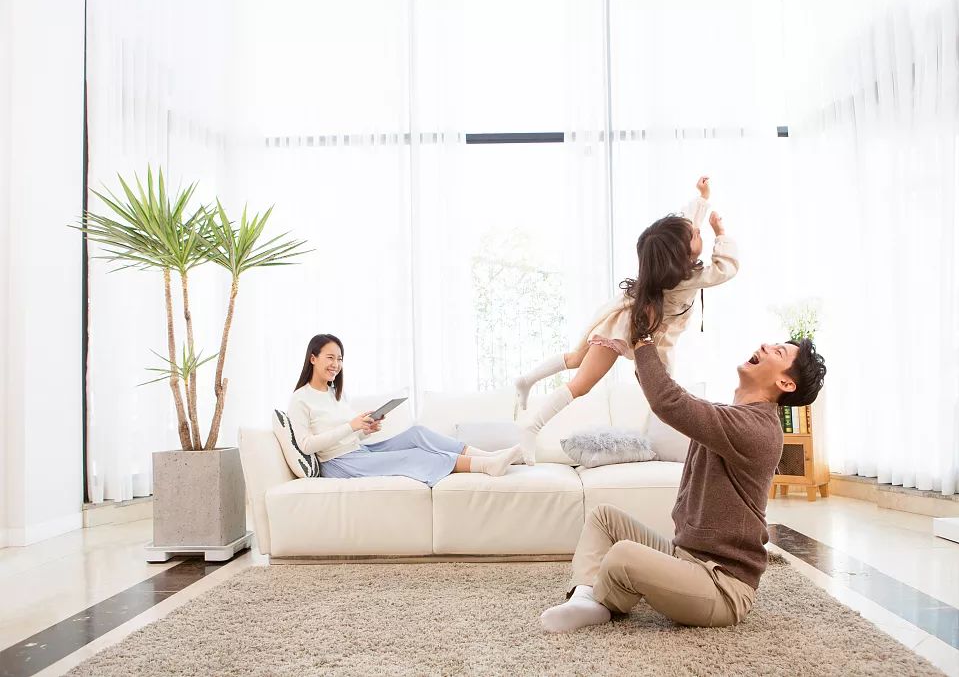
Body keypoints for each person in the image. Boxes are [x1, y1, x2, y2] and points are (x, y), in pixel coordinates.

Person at [539, 333, 827, 632]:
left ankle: (603, 599)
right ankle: (585, 598)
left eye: (778, 352)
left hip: (721, 586)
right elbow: (677, 398)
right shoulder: (732, 416)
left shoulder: (757, 429)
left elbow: (670, 402)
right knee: (604, 518)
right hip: (686, 556)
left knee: (623, 554)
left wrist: (643, 340)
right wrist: (637, 352)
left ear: (786, 383)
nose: (766, 346)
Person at [514, 176, 738, 464]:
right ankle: (531, 427)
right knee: (583, 385)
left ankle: (526, 380)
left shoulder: (666, 262)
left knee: (576, 359)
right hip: (625, 329)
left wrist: (703, 199)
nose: (698, 230)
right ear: (680, 256)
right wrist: (720, 233)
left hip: (628, 320)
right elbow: (725, 267)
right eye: (695, 235)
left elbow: (685, 224)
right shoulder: (686, 278)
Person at [288, 334, 522, 486]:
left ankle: (490, 456)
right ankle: (487, 466)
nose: (336, 364)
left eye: (339, 359)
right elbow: (306, 445)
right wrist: (351, 426)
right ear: (313, 359)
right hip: (338, 463)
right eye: (330, 357)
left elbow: (349, 436)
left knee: (417, 433)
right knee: (415, 455)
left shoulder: (335, 393)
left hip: (358, 451)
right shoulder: (300, 399)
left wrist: (364, 430)